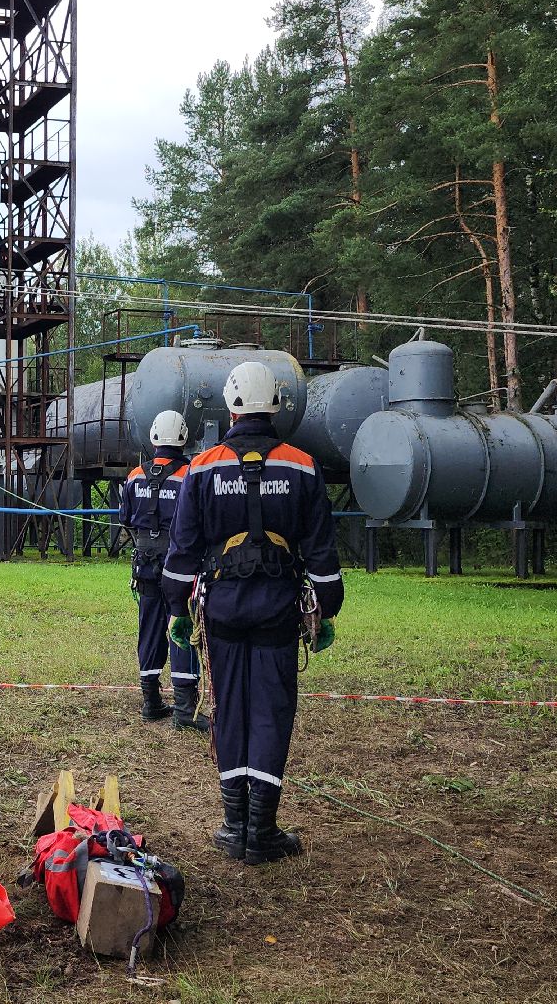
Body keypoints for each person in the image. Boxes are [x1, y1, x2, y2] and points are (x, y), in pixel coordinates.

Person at [161, 361, 342, 866]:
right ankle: (260, 830)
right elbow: (322, 552)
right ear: (278, 405)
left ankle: (233, 824)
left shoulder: (202, 467)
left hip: (220, 610)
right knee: (271, 712)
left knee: (230, 709)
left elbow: (183, 549)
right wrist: (326, 611)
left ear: (231, 405)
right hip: (277, 614)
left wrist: (177, 609)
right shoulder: (302, 466)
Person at [118, 410, 206, 729]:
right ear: (183, 438)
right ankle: (184, 706)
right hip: (179, 564)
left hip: (144, 562)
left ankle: (151, 701)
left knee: (149, 626)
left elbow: (125, 518)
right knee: (180, 624)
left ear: (153, 437)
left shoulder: (134, 477)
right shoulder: (191, 474)